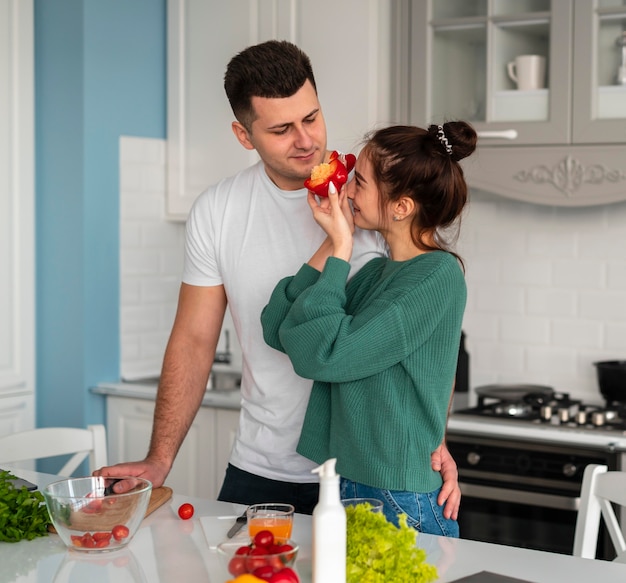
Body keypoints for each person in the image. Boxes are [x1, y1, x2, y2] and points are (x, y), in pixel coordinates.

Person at [94, 40, 460, 517]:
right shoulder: (219, 211)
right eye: (282, 129)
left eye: (311, 117)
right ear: (245, 136)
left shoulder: (378, 197)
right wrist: (160, 458)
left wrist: (433, 439)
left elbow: (427, 343)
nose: (306, 140)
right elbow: (194, 339)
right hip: (262, 467)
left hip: (367, 473)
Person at [260, 121, 476, 534]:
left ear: (401, 206)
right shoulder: (378, 272)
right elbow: (277, 327)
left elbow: (326, 355)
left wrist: (343, 247)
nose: (348, 191)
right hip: (354, 482)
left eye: (359, 181)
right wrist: (333, 243)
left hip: (398, 495)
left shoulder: (437, 275)